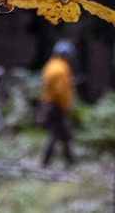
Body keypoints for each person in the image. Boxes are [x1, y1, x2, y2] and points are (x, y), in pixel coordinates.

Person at [39, 40, 76, 168]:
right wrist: (65, 106)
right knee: (55, 134)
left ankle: (70, 159)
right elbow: (60, 91)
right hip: (57, 106)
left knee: (64, 133)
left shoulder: (50, 66)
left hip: (49, 104)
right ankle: (45, 161)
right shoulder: (61, 69)